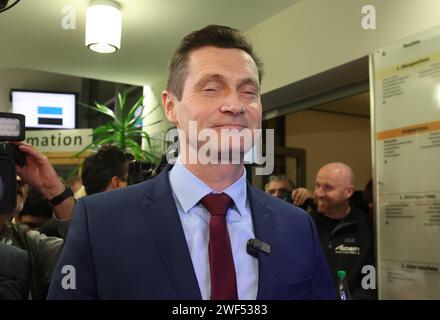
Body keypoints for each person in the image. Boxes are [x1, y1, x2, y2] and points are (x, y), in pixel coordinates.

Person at [48, 25, 336, 300]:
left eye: (249, 92)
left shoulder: (297, 226)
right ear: (171, 105)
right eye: (212, 88)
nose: (235, 105)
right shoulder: (100, 222)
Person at [0, 142, 75, 299]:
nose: (17, 181)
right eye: (5, 172)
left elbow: (85, 254)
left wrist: (53, 190)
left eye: (20, 173)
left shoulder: (30, 244)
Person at [309, 162, 376, 299]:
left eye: (328, 187)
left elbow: (369, 283)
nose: (319, 193)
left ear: (349, 192)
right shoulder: (306, 224)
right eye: (317, 185)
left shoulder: (366, 228)